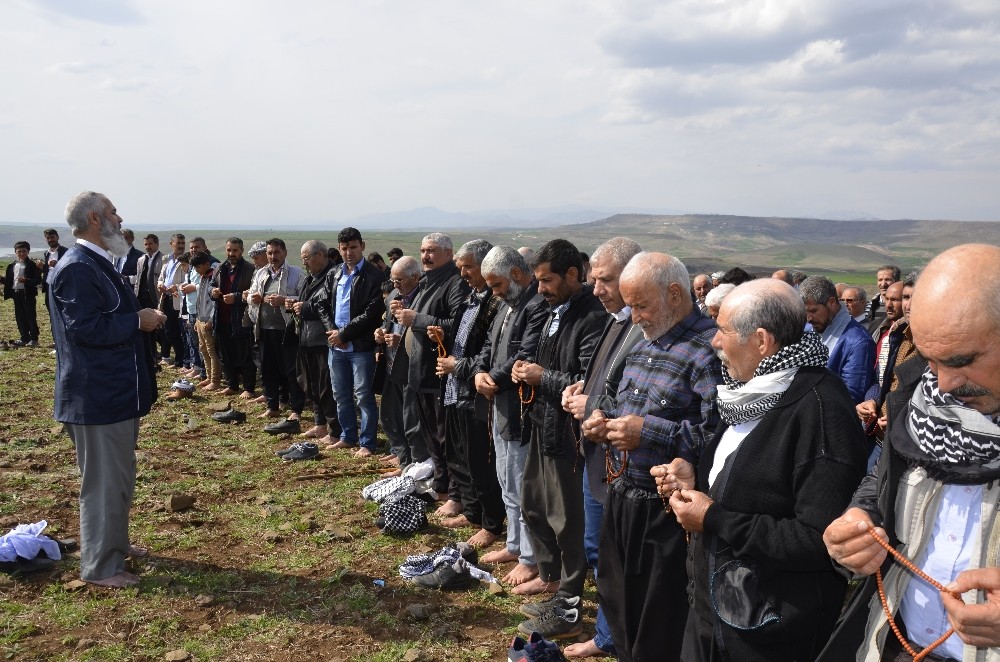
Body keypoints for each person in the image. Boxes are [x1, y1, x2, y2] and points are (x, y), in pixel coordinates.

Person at [656, 278, 866, 661]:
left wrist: (714, 517)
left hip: (767, 635)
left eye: (722, 331)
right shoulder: (750, 394)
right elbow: (749, 484)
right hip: (714, 615)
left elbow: (820, 540)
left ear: (761, 341)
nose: (714, 342)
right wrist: (697, 480)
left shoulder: (820, 412)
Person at [820, 244, 1000, 661]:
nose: (946, 384)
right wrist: (860, 517)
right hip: (895, 642)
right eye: (931, 360)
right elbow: (886, 475)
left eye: (961, 360)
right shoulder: (919, 396)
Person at [580, 252, 721, 661]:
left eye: (641, 305)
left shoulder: (709, 350)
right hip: (622, 497)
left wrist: (648, 432)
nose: (635, 316)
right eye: (631, 306)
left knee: (658, 620)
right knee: (618, 601)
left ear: (674, 294)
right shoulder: (642, 346)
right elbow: (617, 403)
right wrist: (602, 421)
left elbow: (718, 435)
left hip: (667, 512)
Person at [50, 191, 164, 588]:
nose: (120, 217)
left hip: (115, 394)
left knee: (119, 477)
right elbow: (85, 329)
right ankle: (101, 566)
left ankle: (114, 544)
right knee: (103, 484)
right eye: (113, 212)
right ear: (96, 219)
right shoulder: (78, 268)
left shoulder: (97, 263)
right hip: (97, 397)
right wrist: (137, 320)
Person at [511, 239, 605, 639]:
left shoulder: (592, 317)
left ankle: (569, 607)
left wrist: (541, 377)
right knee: (534, 505)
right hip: (542, 424)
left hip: (568, 437)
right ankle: (554, 585)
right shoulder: (555, 310)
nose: (541, 289)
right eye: (538, 281)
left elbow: (586, 382)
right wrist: (525, 369)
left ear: (572, 274)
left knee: (568, 523)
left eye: (547, 280)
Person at [560, 237, 643, 659]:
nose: (597, 290)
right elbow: (608, 378)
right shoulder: (616, 320)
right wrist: (582, 388)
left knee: (613, 556)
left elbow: (636, 398)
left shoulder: (643, 327)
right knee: (598, 549)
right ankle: (610, 633)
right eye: (594, 280)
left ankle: (619, 638)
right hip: (598, 457)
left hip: (621, 462)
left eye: (605, 280)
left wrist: (590, 402)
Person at [473, 246, 548, 588]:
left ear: (516, 275)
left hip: (520, 410)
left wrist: (493, 379)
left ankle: (530, 558)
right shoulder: (507, 305)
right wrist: (480, 373)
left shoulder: (537, 306)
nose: (494, 292)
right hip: (500, 406)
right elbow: (489, 347)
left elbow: (525, 353)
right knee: (506, 480)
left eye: (497, 284)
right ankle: (515, 545)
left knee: (521, 485)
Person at [432, 240, 505, 548]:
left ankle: (491, 523)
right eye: (460, 267)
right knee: (460, 456)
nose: (463, 274)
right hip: (457, 387)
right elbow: (465, 338)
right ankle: (473, 512)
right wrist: (444, 335)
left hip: (476, 391)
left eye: (469, 267)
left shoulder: (496, 303)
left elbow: (490, 355)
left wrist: (458, 365)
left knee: (481, 461)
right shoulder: (471, 297)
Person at [392, 233, 469, 509]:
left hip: (440, 372)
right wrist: (404, 312)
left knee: (446, 437)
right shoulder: (426, 281)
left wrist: (418, 319)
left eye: (432, 250)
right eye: (423, 250)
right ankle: (441, 486)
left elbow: (459, 324)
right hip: (420, 371)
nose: (426, 256)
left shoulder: (455, 283)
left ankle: (455, 494)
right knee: (431, 437)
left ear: (449, 254)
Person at [324, 228, 386, 458]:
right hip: (336, 346)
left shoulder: (374, 276)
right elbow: (322, 303)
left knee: (363, 395)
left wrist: (344, 334)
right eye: (344, 248)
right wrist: (333, 331)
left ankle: (367, 442)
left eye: (353, 247)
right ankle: (347, 436)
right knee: (340, 394)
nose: (349, 252)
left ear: (363, 246)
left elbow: (371, 313)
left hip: (360, 346)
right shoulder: (334, 273)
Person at [375, 256, 429, 467]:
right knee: (389, 415)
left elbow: (427, 331)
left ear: (415, 277)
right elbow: (386, 323)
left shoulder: (424, 297)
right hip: (391, 364)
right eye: (393, 280)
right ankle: (400, 454)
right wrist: (380, 334)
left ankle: (411, 464)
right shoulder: (394, 296)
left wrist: (402, 340)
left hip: (410, 368)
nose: (395, 285)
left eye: (399, 281)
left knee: (410, 420)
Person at [248, 238, 304, 431]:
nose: (273, 256)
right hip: (264, 328)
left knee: (291, 371)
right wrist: (254, 298)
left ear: (285, 253)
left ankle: (296, 409)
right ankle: (272, 406)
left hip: (288, 330)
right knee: (268, 369)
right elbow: (250, 295)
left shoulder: (296, 273)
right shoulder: (261, 273)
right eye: (270, 253)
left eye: (277, 252)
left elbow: (304, 298)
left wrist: (284, 300)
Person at [291, 240, 343, 445]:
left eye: (307, 258)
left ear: (320, 255)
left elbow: (328, 306)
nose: (304, 263)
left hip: (323, 339)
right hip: (306, 338)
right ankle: (319, 424)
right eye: (303, 259)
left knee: (326, 387)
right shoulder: (310, 278)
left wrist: (304, 307)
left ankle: (335, 429)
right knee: (310, 384)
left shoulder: (334, 275)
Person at [800, 275, 875, 403]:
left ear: (832, 302)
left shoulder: (859, 342)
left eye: (813, 311)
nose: (809, 318)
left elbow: (850, 396)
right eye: (806, 312)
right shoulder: (807, 330)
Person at [211, 237, 257, 399]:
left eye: (235, 250)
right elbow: (212, 285)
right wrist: (213, 292)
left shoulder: (250, 269)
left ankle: (249, 388)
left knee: (245, 356)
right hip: (222, 319)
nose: (231, 253)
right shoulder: (220, 268)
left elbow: (254, 294)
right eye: (229, 250)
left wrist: (236, 298)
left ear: (242, 251)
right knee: (225, 354)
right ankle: (232, 385)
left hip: (241, 320)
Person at [189, 253, 222, 391]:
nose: (197, 270)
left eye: (198, 267)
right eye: (195, 268)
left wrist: (211, 319)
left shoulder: (213, 277)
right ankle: (208, 376)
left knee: (212, 351)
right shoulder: (203, 277)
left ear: (207, 264)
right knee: (203, 349)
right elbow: (200, 300)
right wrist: (197, 319)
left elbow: (214, 303)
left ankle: (215, 380)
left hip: (208, 319)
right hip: (200, 318)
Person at [156, 233, 187, 368]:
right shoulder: (168, 261)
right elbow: (161, 278)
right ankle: (180, 360)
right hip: (167, 299)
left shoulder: (186, 260)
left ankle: (182, 362)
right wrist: (160, 285)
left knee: (182, 332)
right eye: (178, 243)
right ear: (171, 244)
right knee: (170, 331)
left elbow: (188, 281)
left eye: (183, 243)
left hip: (180, 300)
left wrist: (177, 287)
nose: (181, 246)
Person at [4, 241, 42, 346]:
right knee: (20, 317)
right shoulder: (12, 265)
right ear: (15, 252)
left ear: (28, 251)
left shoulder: (32, 265)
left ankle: (34, 339)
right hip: (16, 294)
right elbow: (9, 282)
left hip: (28, 294)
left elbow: (37, 280)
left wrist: (26, 281)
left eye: (24, 251)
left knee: (30, 316)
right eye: (19, 251)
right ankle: (24, 338)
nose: (21, 253)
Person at [40, 228, 68, 310]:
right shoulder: (46, 253)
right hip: (48, 285)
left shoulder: (65, 251)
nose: (50, 240)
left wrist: (57, 264)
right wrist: (42, 267)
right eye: (48, 238)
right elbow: (48, 270)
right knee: (50, 307)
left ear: (57, 237)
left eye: (52, 237)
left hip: (60, 285)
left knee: (61, 308)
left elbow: (69, 268)